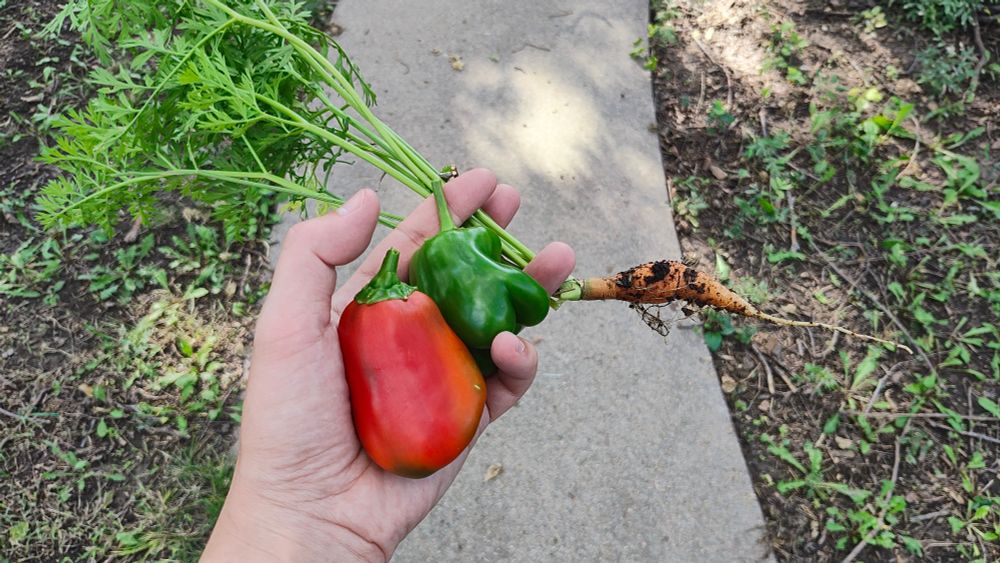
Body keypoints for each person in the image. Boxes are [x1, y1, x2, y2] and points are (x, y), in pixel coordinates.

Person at [201, 169, 575, 561]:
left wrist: (294, 517)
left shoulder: (405, 300)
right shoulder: (390, 311)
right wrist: (300, 512)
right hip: (385, 456)